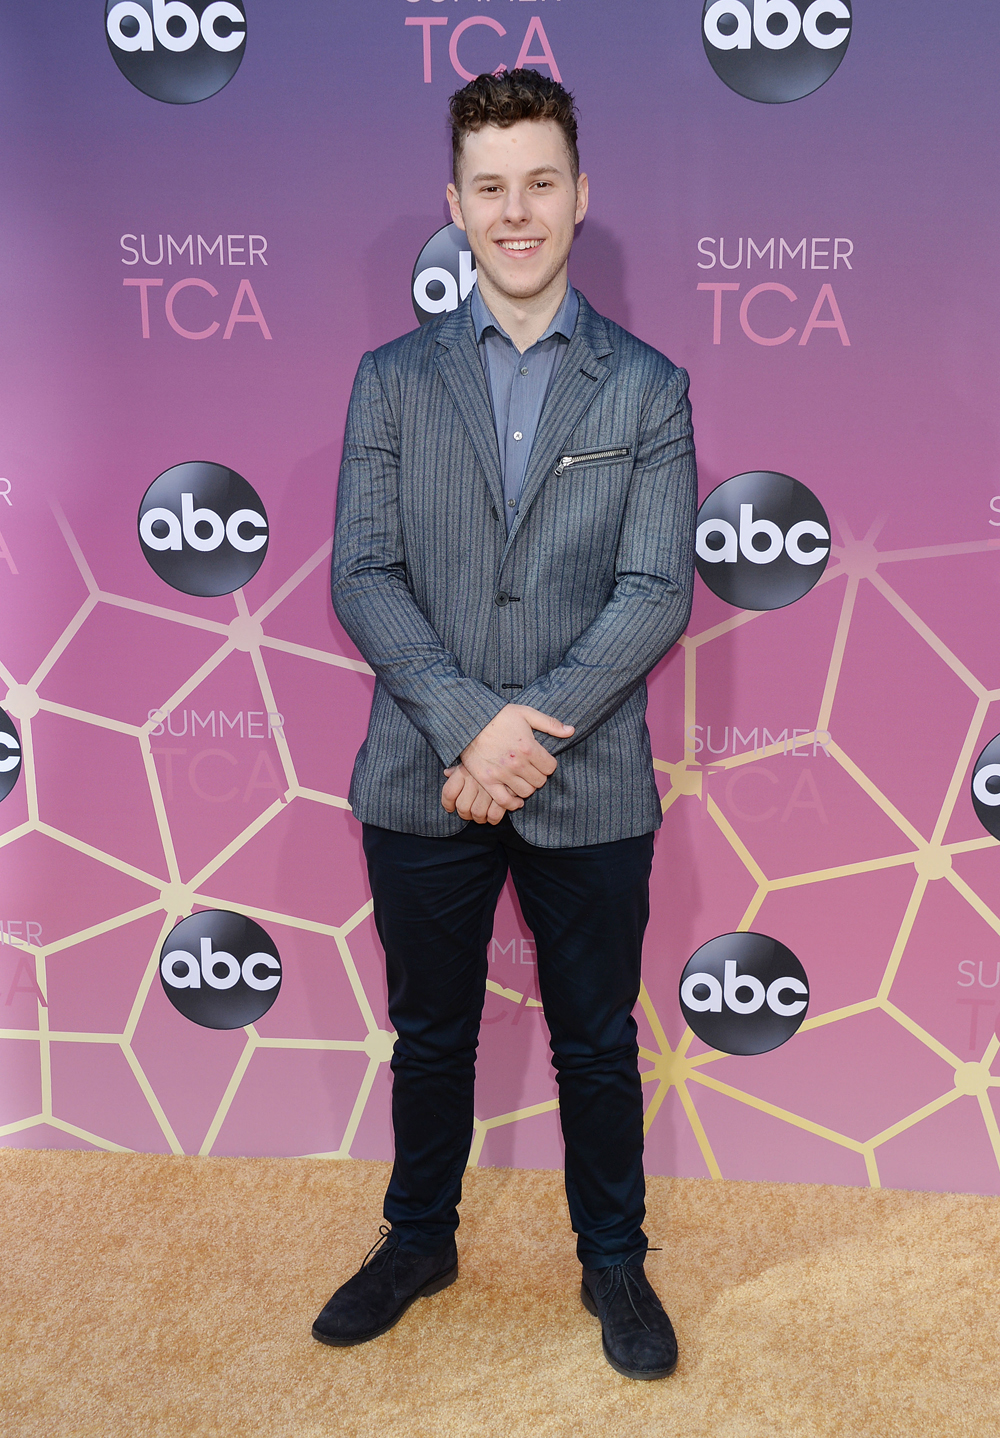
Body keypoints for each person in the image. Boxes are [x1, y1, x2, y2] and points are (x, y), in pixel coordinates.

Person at [316, 68, 696, 1381]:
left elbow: (657, 591)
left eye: (541, 182)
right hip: (423, 773)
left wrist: (530, 735)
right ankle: (418, 1236)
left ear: (580, 196)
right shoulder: (388, 381)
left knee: (598, 1036)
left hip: (589, 786)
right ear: (456, 205)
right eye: (491, 187)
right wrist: (473, 726)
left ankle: (614, 1258)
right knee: (431, 1032)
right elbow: (361, 572)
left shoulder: (648, 387)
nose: (517, 209)